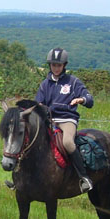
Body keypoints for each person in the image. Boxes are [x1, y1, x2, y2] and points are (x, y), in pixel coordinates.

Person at [36, 48, 94, 192]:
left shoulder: (73, 82)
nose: (56, 68)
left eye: (59, 65)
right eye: (53, 65)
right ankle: (22, 178)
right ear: (50, 65)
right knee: (30, 138)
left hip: (67, 119)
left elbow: (89, 99)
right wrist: (39, 107)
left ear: (64, 66)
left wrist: (81, 99)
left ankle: (83, 177)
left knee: (67, 142)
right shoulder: (44, 84)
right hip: (49, 120)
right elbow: (38, 103)